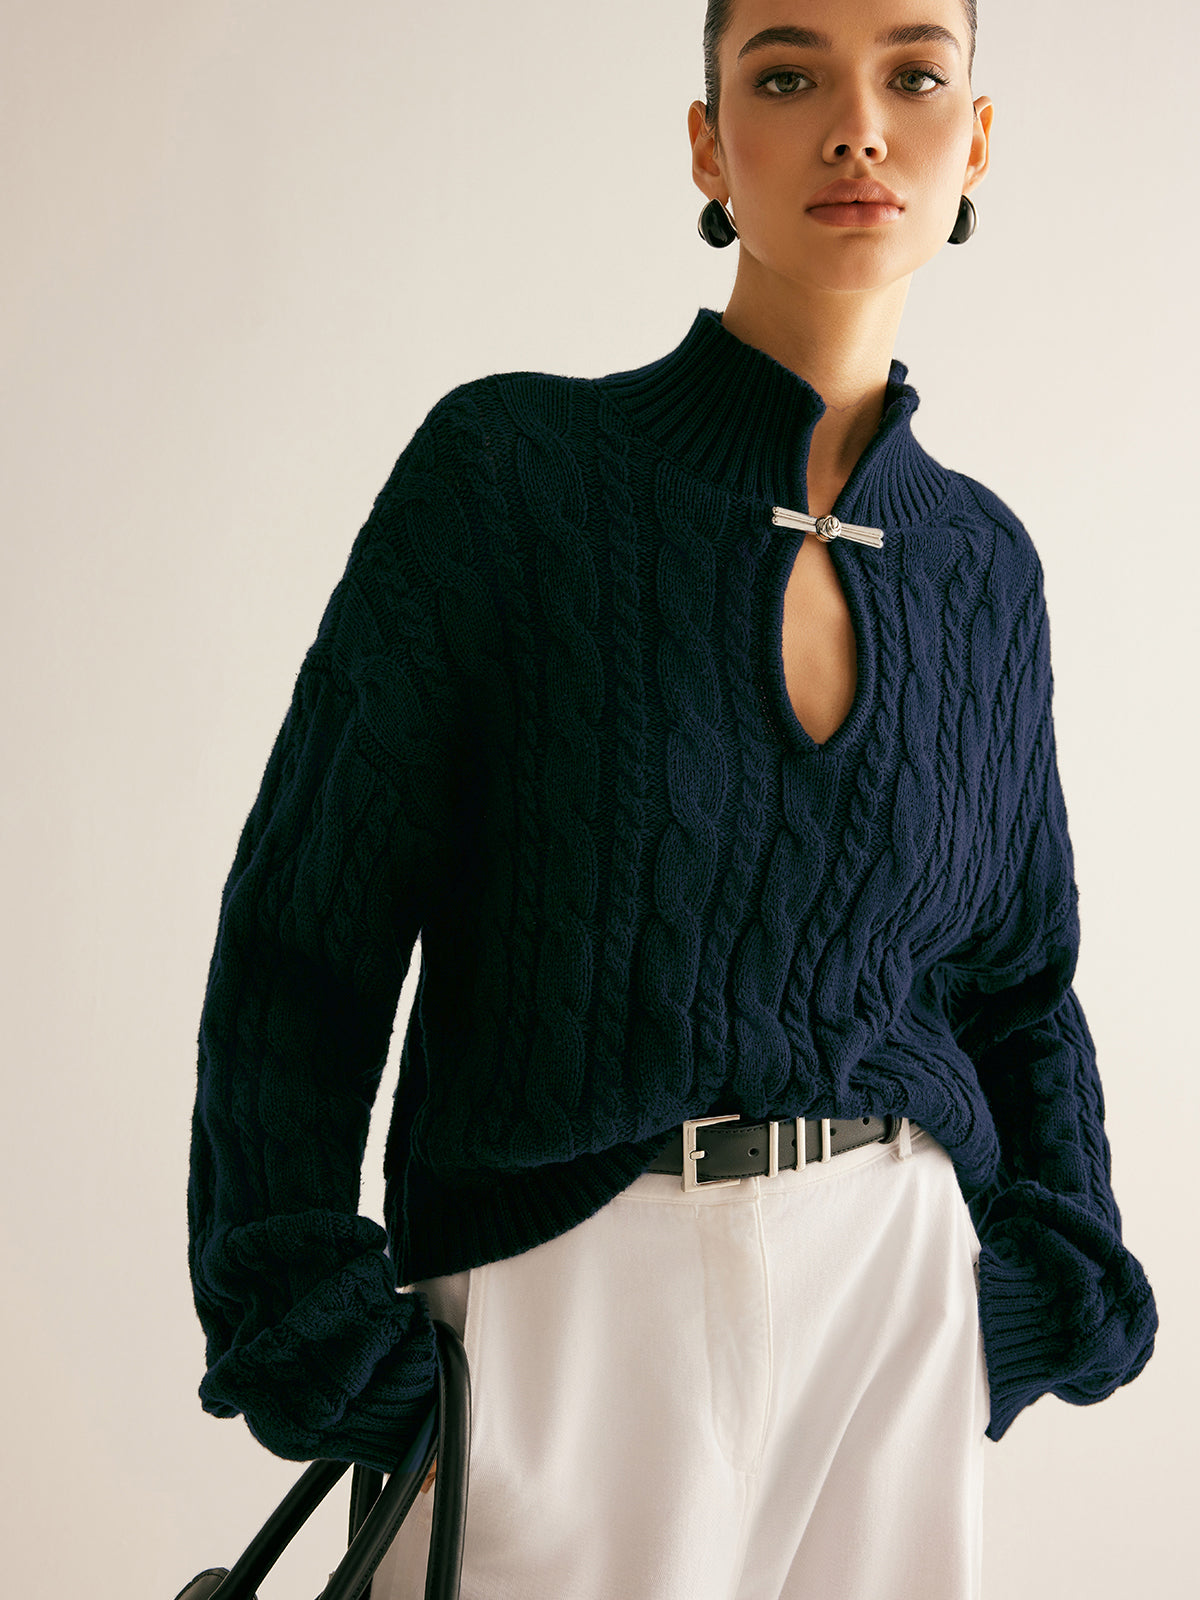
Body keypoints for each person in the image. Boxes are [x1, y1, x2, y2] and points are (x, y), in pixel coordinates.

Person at [187, 1, 1158, 1596]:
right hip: (558, 1298)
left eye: (916, 75)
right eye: (787, 74)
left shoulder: (985, 567)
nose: (859, 124)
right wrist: (295, 1297)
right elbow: (309, 929)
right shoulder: (512, 473)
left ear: (976, 139)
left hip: (898, 1300)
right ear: (711, 145)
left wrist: (1049, 1279)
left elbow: (1017, 986)